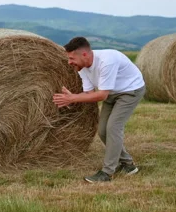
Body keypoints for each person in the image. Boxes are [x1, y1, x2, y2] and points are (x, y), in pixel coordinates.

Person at [53, 37, 145, 183]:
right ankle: (128, 165)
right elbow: (90, 94)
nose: (69, 62)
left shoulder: (107, 61)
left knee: (113, 127)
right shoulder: (82, 67)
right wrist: (74, 97)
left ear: (84, 54)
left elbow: (102, 95)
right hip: (112, 92)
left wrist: (74, 98)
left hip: (130, 91)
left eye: (71, 58)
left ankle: (107, 173)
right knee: (102, 130)